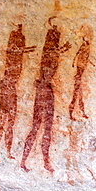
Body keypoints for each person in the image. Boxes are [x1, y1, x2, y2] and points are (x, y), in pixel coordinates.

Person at [21, 17, 71, 172]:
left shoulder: (51, 54)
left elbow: (51, 55)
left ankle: (45, 161)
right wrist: (61, 49)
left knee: (46, 129)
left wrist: (60, 50)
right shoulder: (48, 51)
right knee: (37, 127)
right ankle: (24, 161)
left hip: (47, 90)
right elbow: (49, 53)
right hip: (43, 91)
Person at [0, 24, 36, 162]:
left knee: (11, 124)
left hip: (12, 89)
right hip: (7, 89)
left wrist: (24, 50)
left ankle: (8, 151)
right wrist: (23, 49)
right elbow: (12, 51)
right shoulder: (12, 53)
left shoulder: (18, 50)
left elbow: (17, 51)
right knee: (1, 123)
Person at [69, 24, 94, 121]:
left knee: (79, 95)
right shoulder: (84, 45)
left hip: (81, 72)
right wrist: (74, 63)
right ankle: (72, 114)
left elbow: (84, 56)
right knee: (76, 95)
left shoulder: (87, 46)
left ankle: (81, 112)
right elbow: (78, 55)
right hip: (79, 72)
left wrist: (91, 63)